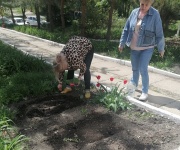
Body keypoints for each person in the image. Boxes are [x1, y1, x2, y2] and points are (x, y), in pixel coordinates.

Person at [118, 0, 165, 101]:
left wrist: (161, 48)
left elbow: (159, 33)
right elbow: (126, 28)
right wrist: (122, 43)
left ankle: (144, 92)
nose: (143, 7)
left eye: (146, 5)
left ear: (150, 4)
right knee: (135, 69)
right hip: (134, 48)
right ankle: (132, 88)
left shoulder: (155, 14)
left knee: (143, 69)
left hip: (147, 47)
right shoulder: (134, 12)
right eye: (142, 4)